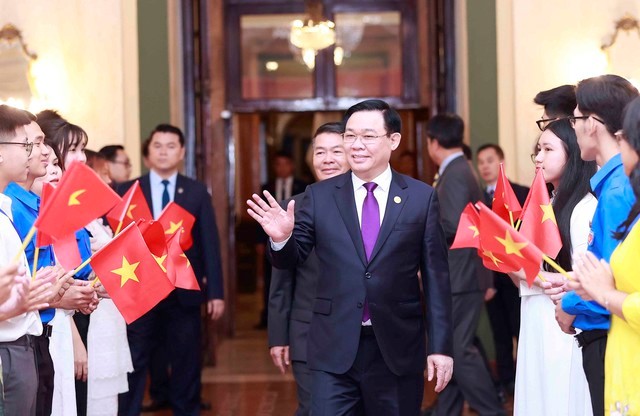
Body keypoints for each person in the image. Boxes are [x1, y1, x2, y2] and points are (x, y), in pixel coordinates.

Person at [249, 99, 453, 415]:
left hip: (396, 348)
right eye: (350, 136)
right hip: (332, 348)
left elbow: (436, 279)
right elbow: (293, 259)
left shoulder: (420, 198)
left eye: (368, 136)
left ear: (393, 140)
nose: (356, 145)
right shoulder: (320, 196)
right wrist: (282, 239)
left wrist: (440, 347)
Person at [117, 123, 225, 416]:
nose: (164, 152)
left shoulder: (195, 191)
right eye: (157, 146)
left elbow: (209, 244)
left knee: (186, 358)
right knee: (135, 358)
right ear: (147, 152)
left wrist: (216, 292)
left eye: (171, 146)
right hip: (139, 292)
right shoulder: (128, 191)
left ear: (182, 152)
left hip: (183, 292)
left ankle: (186, 410)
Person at [562, 75, 638, 415]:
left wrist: (570, 303)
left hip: (610, 333)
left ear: (593, 124)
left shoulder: (620, 189)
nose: (573, 127)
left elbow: (612, 276)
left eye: (576, 118)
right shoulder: (615, 184)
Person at [510, 118, 596, 415]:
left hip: (564, 315)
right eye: (538, 149)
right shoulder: (546, 203)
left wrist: (531, 274)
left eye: (548, 149)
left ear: (572, 154)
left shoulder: (586, 207)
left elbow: (587, 274)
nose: (539, 158)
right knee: (538, 395)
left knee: (561, 396)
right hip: (536, 313)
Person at [424, 114, 504, 416]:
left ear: (433, 142)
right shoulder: (457, 169)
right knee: (452, 348)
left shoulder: (456, 172)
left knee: (458, 349)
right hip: (461, 275)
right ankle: (446, 411)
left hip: (461, 275)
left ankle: (492, 411)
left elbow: (451, 226)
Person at [267, 122, 349, 415]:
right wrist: (278, 336)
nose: (327, 159)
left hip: (361, 337)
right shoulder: (292, 208)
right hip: (307, 336)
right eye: (320, 151)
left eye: (336, 151)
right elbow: (281, 280)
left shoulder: (372, 203)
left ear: (352, 153)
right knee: (315, 407)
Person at [37, 109, 98, 416]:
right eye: (73, 150)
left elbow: (77, 269)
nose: (82, 158)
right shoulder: (46, 205)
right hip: (56, 320)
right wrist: (74, 335)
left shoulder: (70, 199)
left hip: (77, 310)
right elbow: (52, 272)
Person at [0, 104, 53, 416]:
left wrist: (40, 291)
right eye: (27, 145)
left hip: (20, 342)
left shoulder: (5, 208)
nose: (35, 154)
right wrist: (18, 305)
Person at [475, 143, 528, 396]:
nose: (485, 166)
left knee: (521, 330)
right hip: (490, 279)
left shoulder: (521, 192)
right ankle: (506, 381)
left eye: (489, 160)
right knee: (499, 333)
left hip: (518, 277)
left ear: (501, 162)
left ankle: (524, 381)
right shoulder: (476, 199)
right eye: (481, 162)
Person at [255, 152, 308, 329]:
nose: (282, 167)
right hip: (271, 240)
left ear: (292, 165)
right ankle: (268, 318)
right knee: (272, 280)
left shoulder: (304, 187)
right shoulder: (266, 187)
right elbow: (260, 217)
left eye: (286, 163)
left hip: (298, 240)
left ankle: (289, 315)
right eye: (278, 164)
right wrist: (260, 242)